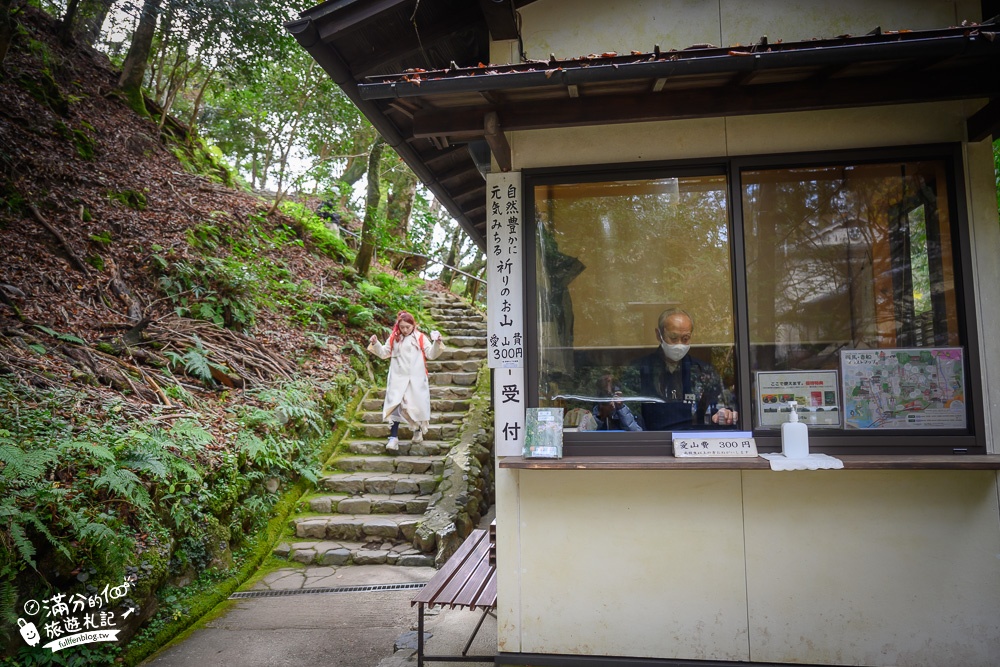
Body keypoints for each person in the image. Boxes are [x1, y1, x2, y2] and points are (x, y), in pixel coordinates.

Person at [634, 308, 737, 431]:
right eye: (673, 337)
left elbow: (718, 406)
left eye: (685, 338)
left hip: (694, 441)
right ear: (659, 335)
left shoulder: (703, 371)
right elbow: (631, 416)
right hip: (653, 442)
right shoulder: (639, 369)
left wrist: (723, 413)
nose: (679, 344)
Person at [367, 311, 443, 452]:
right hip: (398, 377)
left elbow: (430, 354)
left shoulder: (420, 337)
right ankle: (393, 437)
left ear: (413, 325)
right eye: (402, 327)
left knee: (416, 405)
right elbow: (384, 353)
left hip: (416, 378)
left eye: (408, 327)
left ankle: (417, 430)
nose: (405, 330)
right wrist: (375, 343)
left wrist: (437, 343)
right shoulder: (394, 338)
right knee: (396, 404)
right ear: (398, 326)